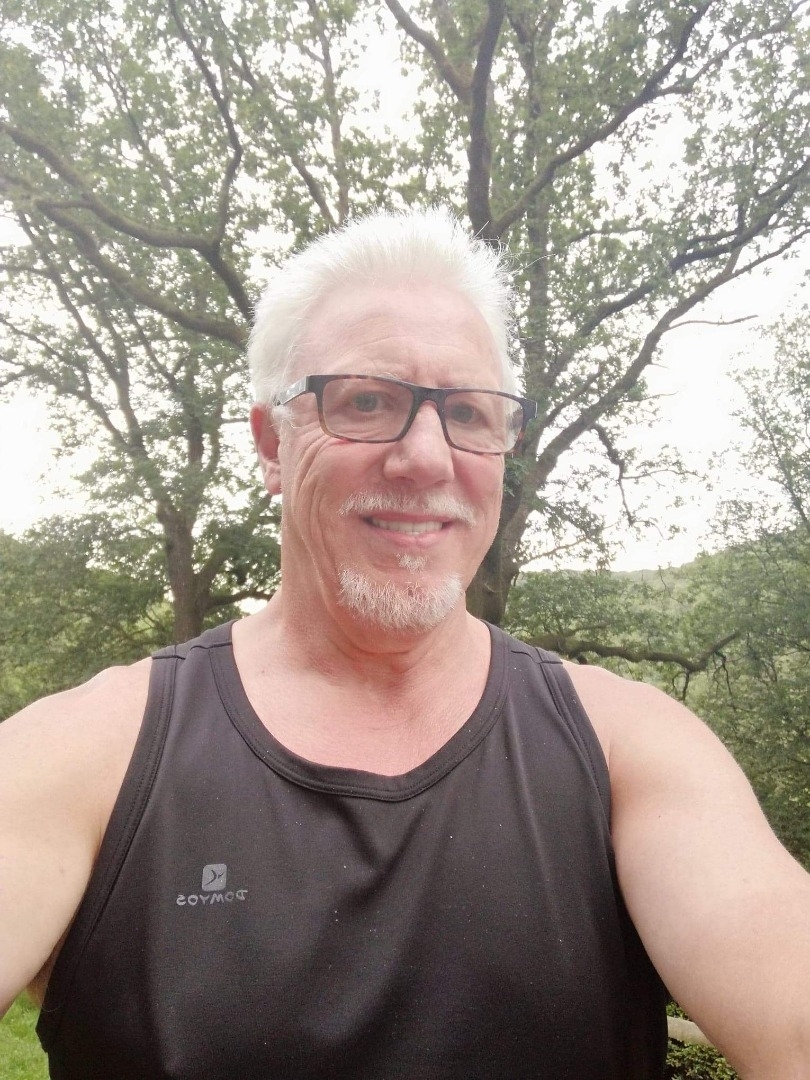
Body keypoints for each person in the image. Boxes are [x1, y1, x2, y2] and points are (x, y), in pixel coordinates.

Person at [1, 208, 808, 1080]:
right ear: (272, 443)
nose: (426, 458)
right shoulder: (84, 759)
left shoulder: (628, 754)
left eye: (468, 412)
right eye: (367, 401)